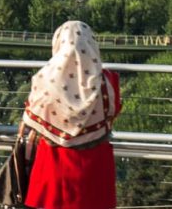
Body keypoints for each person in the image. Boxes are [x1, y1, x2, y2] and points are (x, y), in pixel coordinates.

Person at [21, 21, 122, 209]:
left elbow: (32, 116)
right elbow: (113, 113)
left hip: (54, 166)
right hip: (96, 167)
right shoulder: (109, 81)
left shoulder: (44, 81)